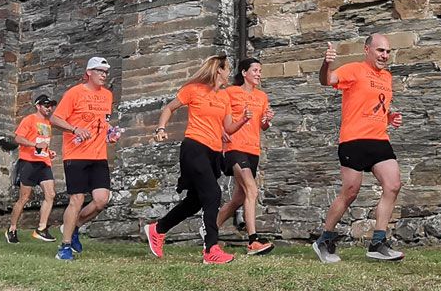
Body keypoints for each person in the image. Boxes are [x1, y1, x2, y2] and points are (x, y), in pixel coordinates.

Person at [144, 55, 248, 264]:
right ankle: (211, 249)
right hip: (194, 147)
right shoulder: (194, 89)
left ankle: (158, 229)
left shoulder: (225, 97)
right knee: (213, 193)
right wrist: (161, 128)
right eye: (227, 69)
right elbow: (169, 108)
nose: (230, 72)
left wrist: (243, 120)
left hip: (214, 152)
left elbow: (227, 128)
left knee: (195, 201)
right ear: (218, 70)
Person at [311, 35, 406, 264]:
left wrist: (389, 116)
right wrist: (327, 63)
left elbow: (379, 104)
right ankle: (324, 240)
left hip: (379, 139)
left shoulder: (387, 77)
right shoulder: (354, 70)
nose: (384, 55)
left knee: (393, 185)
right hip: (353, 140)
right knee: (350, 192)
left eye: (387, 51)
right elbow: (327, 80)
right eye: (380, 50)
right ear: (367, 50)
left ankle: (378, 243)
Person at [50, 57, 119, 261]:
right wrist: (74, 128)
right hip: (76, 154)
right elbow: (54, 119)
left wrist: (110, 134)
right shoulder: (74, 93)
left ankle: (73, 227)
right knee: (77, 199)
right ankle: (64, 246)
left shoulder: (107, 95)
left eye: (106, 71)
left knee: (101, 200)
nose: (104, 74)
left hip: (99, 155)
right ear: (89, 72)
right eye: (100, 71)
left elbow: (103, 123)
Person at [214, 58, 275, 255]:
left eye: (260, 71)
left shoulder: (262, 96)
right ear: (244, 73)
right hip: (234, 147)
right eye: (255, 70)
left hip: (253, 150)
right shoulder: (230, 92)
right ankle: (253, 241)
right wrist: (219, 130)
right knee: (252, 189)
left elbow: (263, 125)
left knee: (239, 198)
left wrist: (267, 121)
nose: (259, 73)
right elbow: (215, 111)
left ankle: (209, 229)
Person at [6, 95, 58, 243]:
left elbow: (43, 143)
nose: (49, 108)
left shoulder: (47, 123)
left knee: (51, 194)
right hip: (28, 162)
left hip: (44, 163)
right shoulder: (29, 119)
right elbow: (18, 138)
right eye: (46, 105)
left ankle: (41, 229)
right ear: (38, 106)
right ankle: (12, 228)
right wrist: (34, 145)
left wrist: (49, 152)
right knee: (24, 198)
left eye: (51, 106)